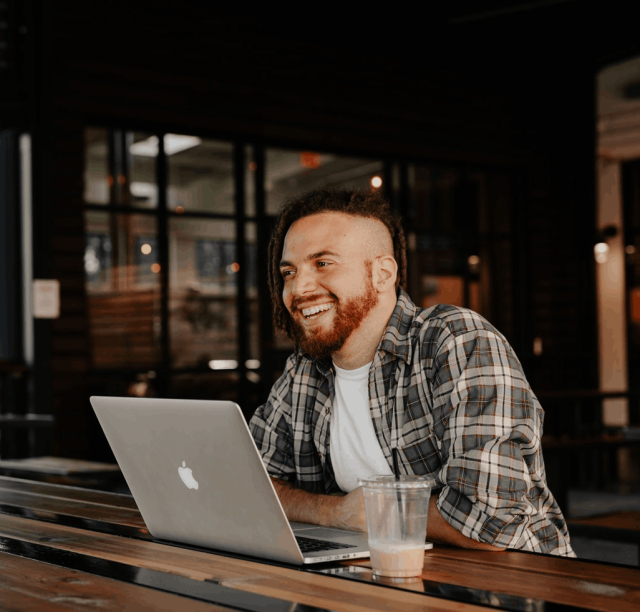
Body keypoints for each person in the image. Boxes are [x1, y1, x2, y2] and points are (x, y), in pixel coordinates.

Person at [249, 187, 574, 556]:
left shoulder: (457, 341)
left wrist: (372, 512)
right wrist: (338, 513)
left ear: (383, 273)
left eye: (323, 264)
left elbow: (489, 520)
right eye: (289, 271)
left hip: (513, 585)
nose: (298, 287)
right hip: (380, 579)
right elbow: (252, 484)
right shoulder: (304, 371)